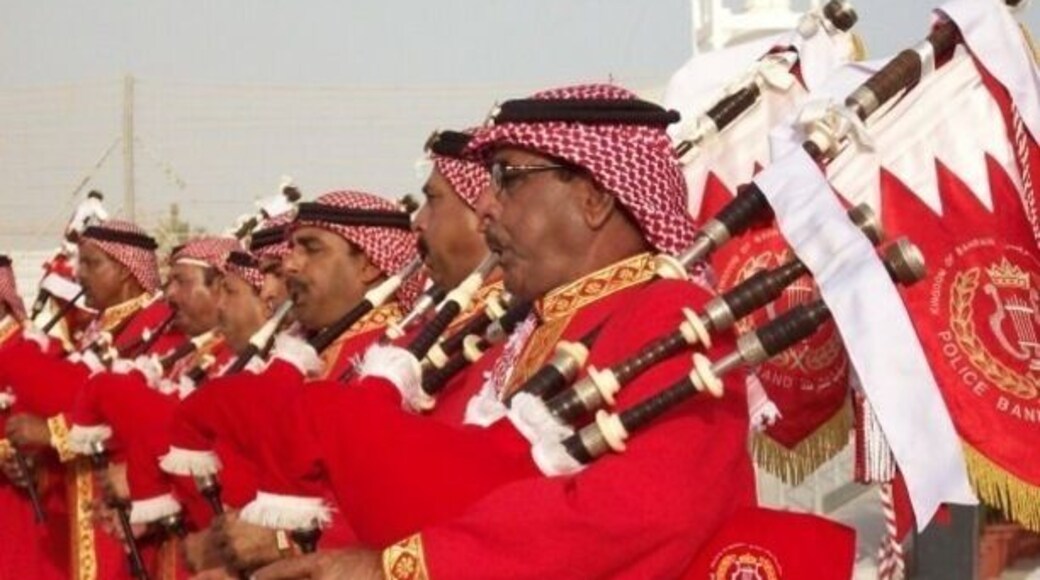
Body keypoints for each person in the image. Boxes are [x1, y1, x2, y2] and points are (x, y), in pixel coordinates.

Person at [254, 84, 755, 580]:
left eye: (506, 179)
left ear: (595, 198)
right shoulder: (527, 329)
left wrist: (402, 568)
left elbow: (638, 515)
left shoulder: (672, 312)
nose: (485, 207)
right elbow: (447, 484)